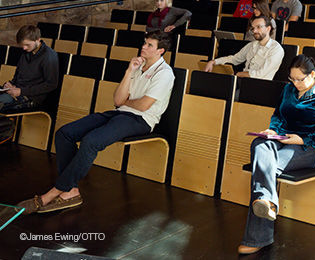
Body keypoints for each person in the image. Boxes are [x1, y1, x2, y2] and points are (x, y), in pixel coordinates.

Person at [16, 31, 175, 215]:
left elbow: (144, 105)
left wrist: (125, 101)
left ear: (160, 51)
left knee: (91, 141)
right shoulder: (138, 66)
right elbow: (117, 100)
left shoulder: (165, 73)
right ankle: (71, 190)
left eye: (149, 45)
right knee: (64, 133)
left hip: (141, 120)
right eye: (144, 43)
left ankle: (53, 193)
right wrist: (129, 70)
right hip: (120, 112)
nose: (143, 47)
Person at [237, 54, 315, 255]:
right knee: (259, 142)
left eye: (301, 79)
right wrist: (273, 130)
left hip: (306, 148)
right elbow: (278, 115)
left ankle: (259, 235)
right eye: (293, 79)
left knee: (266, 168)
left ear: (313, 75)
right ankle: (267, 202)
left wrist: (302, 139)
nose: (296, 83)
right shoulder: (288, 89)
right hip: (282, 139)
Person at [1, 25, 59, 114]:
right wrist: (9, 84)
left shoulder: (49, 56)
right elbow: (18, 76)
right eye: (22, 45)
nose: (24, 48)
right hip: (18, 91)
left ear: (38, 40)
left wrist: (21, 91)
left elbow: (51, 84)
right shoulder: (26, 52)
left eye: (27, 45)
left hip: (32, 97)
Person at [204, 15, 284, 80]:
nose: (255, 31)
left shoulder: (276, 49)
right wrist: (213, 61)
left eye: (258, 27)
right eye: (253, 28)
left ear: (268, 28)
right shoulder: (252, 45)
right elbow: (234, 59)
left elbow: (260, 74)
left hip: (261, 87)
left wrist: (238, 74)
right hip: (243, 82)